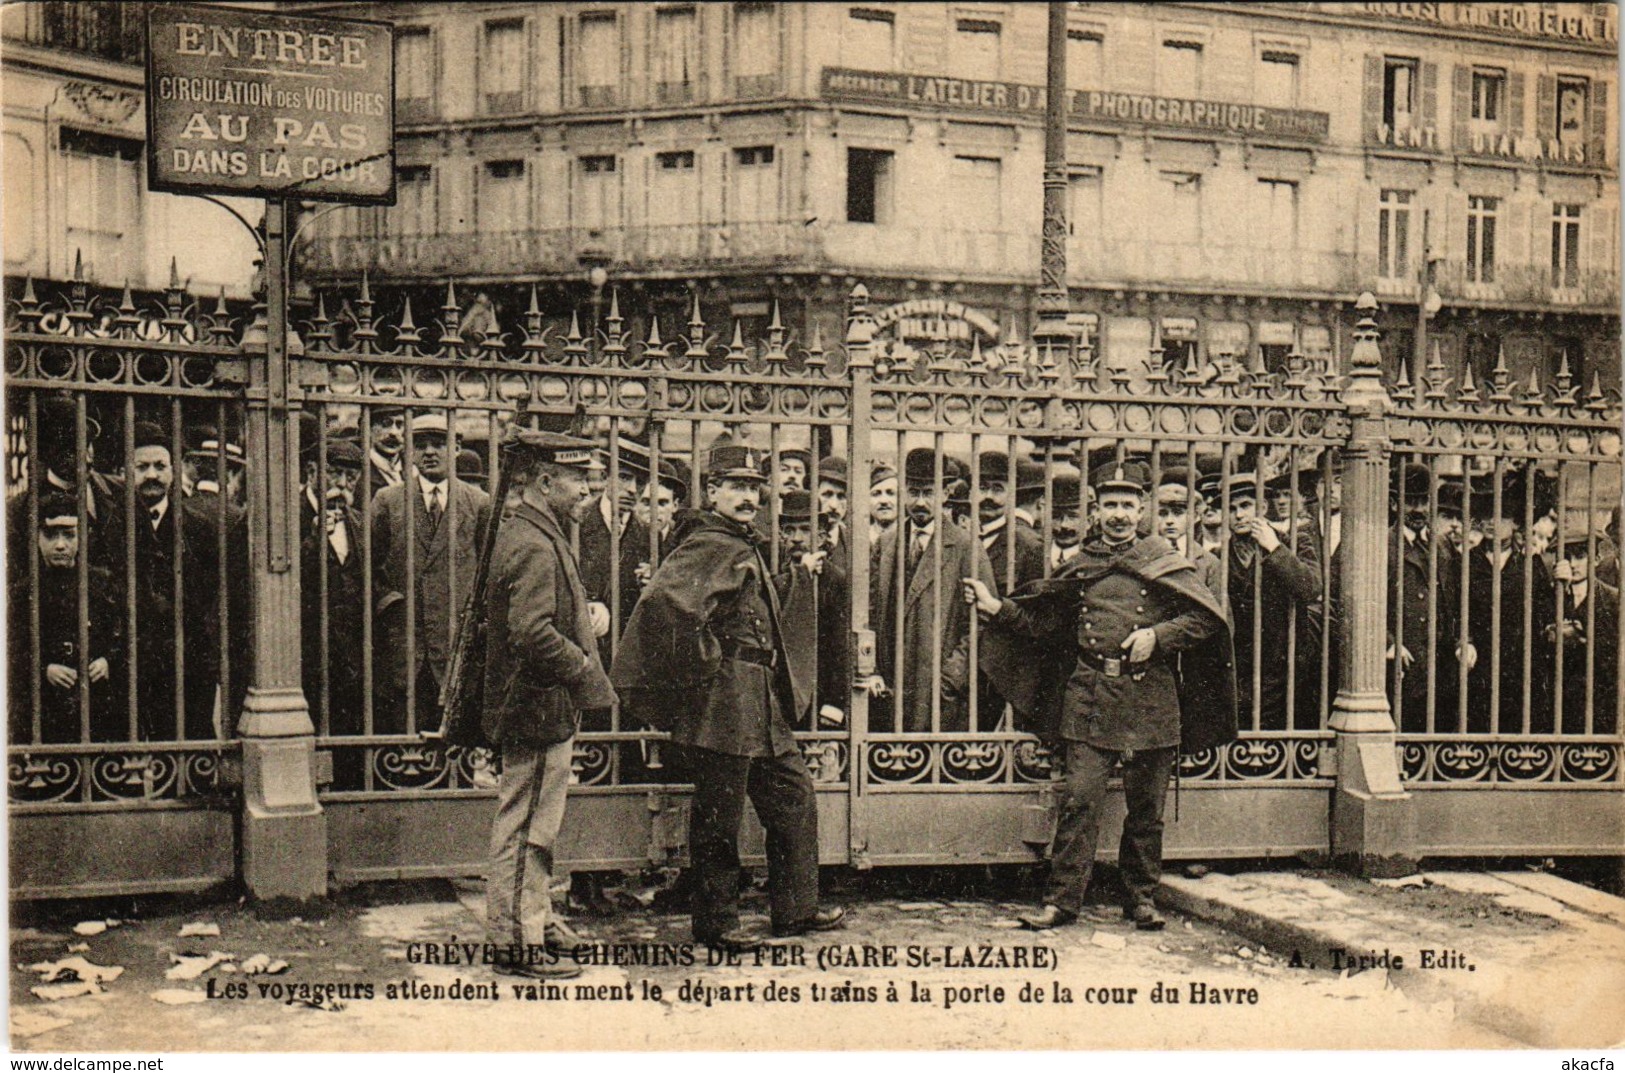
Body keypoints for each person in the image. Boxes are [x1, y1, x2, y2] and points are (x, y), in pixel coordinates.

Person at [964, 461, 1235, 931]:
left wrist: (1158, 636)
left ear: (1142, 510)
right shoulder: (1081, 565)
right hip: (1089, 695)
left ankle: (1141, 899)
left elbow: (1206, 619)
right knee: (1079, 801)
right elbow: (1046, 627)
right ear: (1096, 510)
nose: (1119, 515)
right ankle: (1062, 901)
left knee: (1146, 809)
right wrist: (999, 609)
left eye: (1128, 506)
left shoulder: (1164, 561)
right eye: (1110, 505)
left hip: (1151, 697)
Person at [611, 444, 844, 952]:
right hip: (725, 699)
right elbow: (665, 604)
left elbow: (750, 606)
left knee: (793, 796)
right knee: (720, 815)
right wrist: (708, 665)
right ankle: (717, 924)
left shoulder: (740, 541)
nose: (747, 496)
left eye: (754, 488)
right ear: (712, 491)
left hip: (758, 701)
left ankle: (796, 910)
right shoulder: (710, 542)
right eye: (735, 486)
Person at [481, 430, 615, 980]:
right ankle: (515, 938)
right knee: (527, 825)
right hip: (536, 704)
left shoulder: (538, 531)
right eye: (578, 478)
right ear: (545, 481)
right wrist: (582, 665)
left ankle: (536, 917)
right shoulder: (534, 540)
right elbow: (532, 632)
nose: (588, 488)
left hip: (542, 703)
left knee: (541, 822)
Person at [370, 412, 492, 736]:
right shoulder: (387, 501)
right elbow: (368, 568)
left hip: (456, 648)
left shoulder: (478, 503)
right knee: (404, 741)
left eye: (438, 444)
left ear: (456, 447)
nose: (429, 452)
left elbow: (491, 570)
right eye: (420, 444)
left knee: (455, 744)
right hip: (405, 646)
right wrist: (390, 604)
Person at [127, 420, 247, 741]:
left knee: (190, 746)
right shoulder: (114, 523)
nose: (152, 474)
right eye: (142, 466)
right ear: (127, 470)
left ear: (174, 469)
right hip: (128, 659)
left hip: (187, 662)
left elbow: (215, 598)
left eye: (160, 466)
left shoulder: (198, 527)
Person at [869, 449, 997, 733]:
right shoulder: (886, 542)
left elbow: (983, 620)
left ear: (945, 493)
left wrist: (950, 678)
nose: (920, 502)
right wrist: (873, 668)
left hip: (935, 686)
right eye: (913, 492)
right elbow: (871, 609)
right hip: (890, 681)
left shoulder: (965, 547)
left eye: (928, 493)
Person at [8, 493, 124, 744]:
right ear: (36, 538)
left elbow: (122, 634)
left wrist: (107, 660)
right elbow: (11, 647)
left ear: (82, 537)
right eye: (50, 535)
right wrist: (43, 669)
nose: (60, 545)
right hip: (43, 708)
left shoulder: (102, 583)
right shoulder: (21, 592)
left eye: (69, 535)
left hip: (98, 705)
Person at [1222, 473, 1323, 730]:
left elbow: (1311, 587)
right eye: (1232, 509)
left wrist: (1274, 548)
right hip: (1240, 667)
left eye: (1245, 506)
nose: (1239, 515)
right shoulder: (1219, 555)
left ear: (1263, 507)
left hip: (1283, 664)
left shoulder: (1295, 542)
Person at [1463, 473, 1555, 734]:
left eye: (1501, 516)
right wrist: (1465, 641)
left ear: (1515, 522)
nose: (1492, 522)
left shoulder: (1530, 565)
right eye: (1487, 515)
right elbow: (1455, 611)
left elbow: (1545, 613)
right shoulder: (1466, 562)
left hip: (1521, 665)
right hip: (1479, 664)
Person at [301, 464, 369, 787]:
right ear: (312, 471)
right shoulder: (290, 511)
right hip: (306, 653)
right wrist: (314, 538)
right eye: (334, 473)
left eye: (351, 476)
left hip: (351, 656)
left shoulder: (358, 520)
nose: (342, 484)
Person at [773, 489, 850, 729]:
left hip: (817, 691)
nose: (797, 538)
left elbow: (840, 644)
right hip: (777, 690)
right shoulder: (774, 572)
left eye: (805, 530)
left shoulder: (833, 578)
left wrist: (835, 702)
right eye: (789, 530)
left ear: (820, 535)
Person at [1549, 531, 1619, 735]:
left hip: (1599, 701)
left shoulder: (1613, 599)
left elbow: (1615, 653)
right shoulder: (1549, 597)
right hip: (1558, 702)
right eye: (1566, 557)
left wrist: (1583, 637)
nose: (1572, 564)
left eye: (1580, 556)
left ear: (1596, 559)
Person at [974, 452, 1046, 596]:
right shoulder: (961, 538)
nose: (988, 496)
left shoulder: (1029, 545)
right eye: (982, 487)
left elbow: (1038, 612)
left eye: (997, 489)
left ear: (1012, 494)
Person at [1152, 468, 1222, 596]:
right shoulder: (1146, 553)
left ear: (1195, 516)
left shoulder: (1209, 562)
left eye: (1178, 513)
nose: (1169, 521)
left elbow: (1220, 610)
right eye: (1162, 513)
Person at [365, 404, 406, 500]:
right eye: (386, 423)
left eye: (400, 424)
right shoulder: (360, 471)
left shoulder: (414, 470)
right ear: (369, 428)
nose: (393, 432)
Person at [815, 456, 849, 553]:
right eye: (827, 495)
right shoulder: (797, 540)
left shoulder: (857, 543)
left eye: (841, 496)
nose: (834, 505)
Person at [867, 461, 898, 548]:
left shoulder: (910, 537)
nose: (884, 501)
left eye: (890, 493)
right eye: (876, 494)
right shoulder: (858, 537)